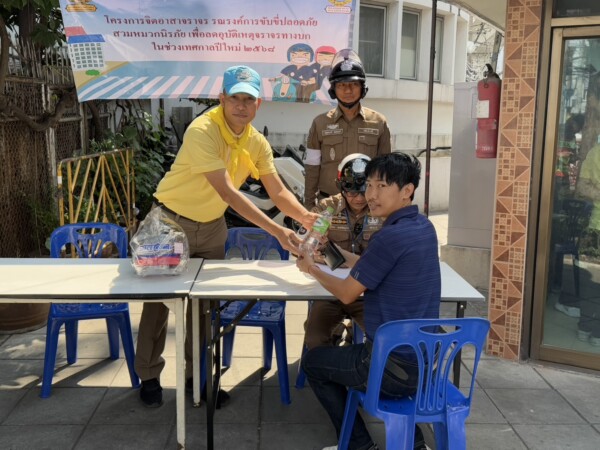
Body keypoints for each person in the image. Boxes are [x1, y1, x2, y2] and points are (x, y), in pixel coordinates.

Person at [135, 65, 319, 408]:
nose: (241, 106)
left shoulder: (256, 141)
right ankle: (148, 375)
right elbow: (229, 193)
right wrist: (278, 231)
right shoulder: (202, 130)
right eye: (235, 98)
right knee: (158, 303)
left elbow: (278, 191)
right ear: (222, 98)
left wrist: (304, 216)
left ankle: (197, 379)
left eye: (249, 99)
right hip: (169, 224)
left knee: (205, 307)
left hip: (211, 227)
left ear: (258, 104)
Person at [296, 152, 440, 450]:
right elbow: (370, 262)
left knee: (313, 363)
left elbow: (347, 293)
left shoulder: (388, 237)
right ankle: (415, 443)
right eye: (369, 185)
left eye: (382, 186)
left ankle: (359, 445)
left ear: (407, 190)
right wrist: (329, 252)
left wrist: (310, 268)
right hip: (426, 362)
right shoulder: (424, 228)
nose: (371, 195)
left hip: (390, 366)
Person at [304, 153, 383, 350]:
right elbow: (307, 251)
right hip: (330, 289)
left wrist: (332, 254)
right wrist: (318, 251)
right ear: (340, 187)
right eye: (351, 193)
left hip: (367, 293)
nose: (359, 199)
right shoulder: (326, 208)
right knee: (314, 339)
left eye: (363, 192)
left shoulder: (382, 210)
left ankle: (359, 362)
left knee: (382, 339)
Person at [303, 49, 392, 209]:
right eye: (341, 85)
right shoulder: (320, 123)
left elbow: (385, 170)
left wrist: (384, 207)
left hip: (367, 205)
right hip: (329, 205)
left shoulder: (379, 122)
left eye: (354, 85)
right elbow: (312, 168)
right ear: (333, 90)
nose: (348, 90)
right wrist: (309, 206)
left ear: (362, 88)